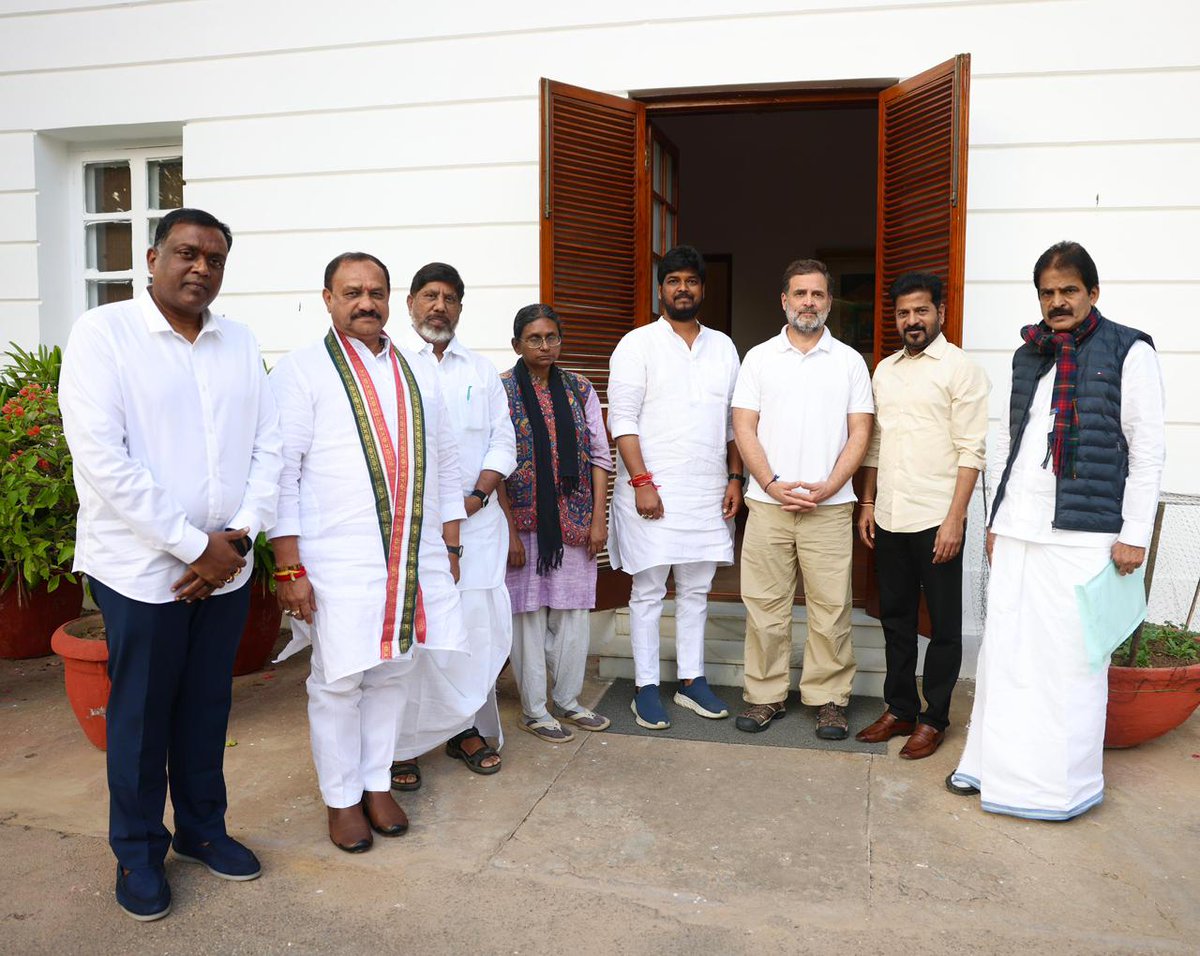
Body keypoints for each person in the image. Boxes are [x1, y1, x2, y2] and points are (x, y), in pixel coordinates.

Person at [59, 208, 282, 921]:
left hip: (227, 568)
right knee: (142, 717)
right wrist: (196, 547)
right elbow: (102, 461)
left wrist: (239, 541)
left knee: (206, 708)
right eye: (187, 253)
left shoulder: (238, 341)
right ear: (152, 257)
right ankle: (137, 852)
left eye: (215, 259)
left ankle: (202, 831)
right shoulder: (104, 335)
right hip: (140, 571)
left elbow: (270, 451)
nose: (201, 269)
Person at [948, 241, 1165, 820]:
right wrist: (995, 520)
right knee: (1007, 656)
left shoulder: (1129, 350)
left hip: (1086, 534)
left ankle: (1056, 787)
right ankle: (992, 768)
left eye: (1069, 290)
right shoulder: (1029, 354)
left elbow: (1147, 451)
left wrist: (1135, 532)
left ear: (1093, 293)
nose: (1057, 301)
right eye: (1047, 292)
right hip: (1020, 527)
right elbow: (1008, 441)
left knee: (1071, 663)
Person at [268, 252, 468, 853]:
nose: (366, 302)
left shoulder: (415, 369)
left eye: (376, 291)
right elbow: (281, 474)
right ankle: (341, 798)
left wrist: (449, 540)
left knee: (394, 672)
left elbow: (447, 459)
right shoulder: (302, 371)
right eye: (351, 291)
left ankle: (378, 783)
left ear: (391, 298)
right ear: (327, 298)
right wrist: (288, 565)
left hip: (412, 554)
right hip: (337, 557)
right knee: (338, 680)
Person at [731, 258, 873, 740]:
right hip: (769, 504)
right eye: (800, 294)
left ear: (829, 301)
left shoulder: (850, 361)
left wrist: (831, 485)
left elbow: (861, 432)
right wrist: (770, 483)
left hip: (829, 508)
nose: (808, 302)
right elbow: (743, 426)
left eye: (817, 294)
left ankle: (829, 699)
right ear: (784, 301)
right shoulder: (759, 358)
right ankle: (765, 696)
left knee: (831, 608)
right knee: (765, 607)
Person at [390, 262, 516, 787]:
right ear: (411, 304)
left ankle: (464, 727)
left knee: (473, 632)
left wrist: (477, 495)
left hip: (478, 524)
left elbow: (502, 440)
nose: (439, 306)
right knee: (416, 636)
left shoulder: (481, 370)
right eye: (429, 296)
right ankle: (401, 743)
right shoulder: (391, 365)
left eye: (450, 298)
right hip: (414, 529)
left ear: (461, 307)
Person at [607, 245, 743, 730]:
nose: (682, 288)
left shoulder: (724, 347)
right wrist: (642, 482)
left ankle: (692, 680)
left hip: (706, 489)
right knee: (647, 589)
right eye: (673, 281)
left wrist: (734, 478)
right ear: (660, 289)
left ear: (703, 289)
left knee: (697, 589)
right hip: (650, 489)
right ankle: (645, 686)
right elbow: (621, 419)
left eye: (691, 280)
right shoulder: (637, 344)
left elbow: (734, 423)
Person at [855, 271, 990, 759]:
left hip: (938, 519)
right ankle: (900, 709)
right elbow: (873, 445)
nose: (912, 320)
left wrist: (956, 519)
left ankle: (934, 718)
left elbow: (971, 451)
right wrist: (868, 502)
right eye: (903, 313)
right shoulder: (885, 370)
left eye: (921, 311)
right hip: (890, 514)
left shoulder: (961, 370)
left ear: (940, 313)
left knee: (944, 627)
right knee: (896, 619)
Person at [498, 304, 613, 742]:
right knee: (526, 618)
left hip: (575, 523)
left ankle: (568, 700)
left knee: (571, 615)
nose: (545, 346)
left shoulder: (579, 388)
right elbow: (497, 464)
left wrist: (598, 519)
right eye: (534, 339)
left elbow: (599, 457)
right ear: (516, 345)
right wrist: (508, 531)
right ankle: (534, 708)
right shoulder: (503, 390)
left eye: (551, 337)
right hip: (524, 524)